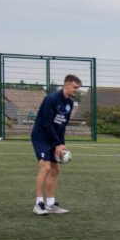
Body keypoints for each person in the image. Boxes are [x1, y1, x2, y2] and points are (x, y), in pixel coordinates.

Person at [31, 74, 82, 215]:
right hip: (41, 137)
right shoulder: (51, 99)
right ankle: (38, 203)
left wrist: (62, 145)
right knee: (46, 168)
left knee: (56, 169)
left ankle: (51, 204)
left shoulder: (70, 103)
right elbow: (47, 124)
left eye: (78, 88)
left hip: (55, 139)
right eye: (75, 87)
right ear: (66, 85)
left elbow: (62, 126)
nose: (77, 90)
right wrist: (57, 144)